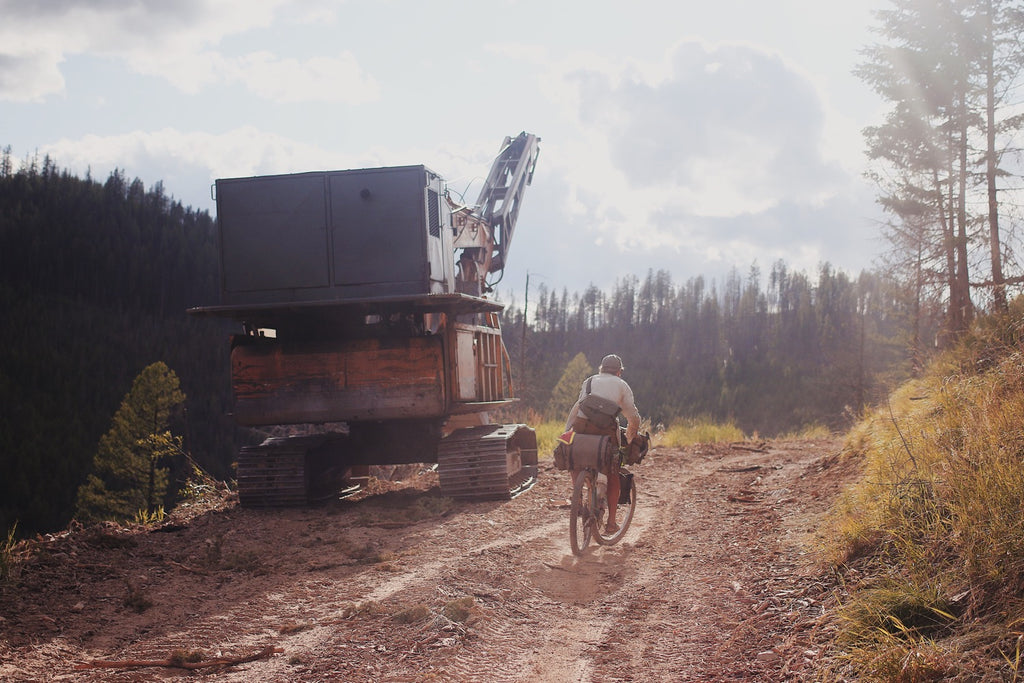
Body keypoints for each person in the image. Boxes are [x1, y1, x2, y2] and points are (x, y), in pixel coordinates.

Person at [564, 353, 641, 535]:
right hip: (606, 433)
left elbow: (577, 407)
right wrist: (630, 436)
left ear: (601, 369)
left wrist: (568, 432)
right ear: (619, 372)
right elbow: (632, 416)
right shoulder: (622, 385)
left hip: (581, 428)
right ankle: (611, 524)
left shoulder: (589, 381)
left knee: (575, 459)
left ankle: (578, 495)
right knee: (612, 473)